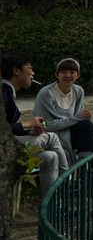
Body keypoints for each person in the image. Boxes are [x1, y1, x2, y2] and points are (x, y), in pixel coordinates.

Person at [2, 53, 69, 196]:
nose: (33, 73)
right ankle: (68, 182)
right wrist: (26, 124)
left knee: (50, 157)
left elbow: (7, 128)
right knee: (51, 137)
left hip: (8, 143)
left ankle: (52, 208)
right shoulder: (3, 94)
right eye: (30, 68)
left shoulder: (7, 92)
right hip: (4, 149)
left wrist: (28, 131)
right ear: (16, 70)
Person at [32, 57, 93, 164]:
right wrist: (77, 118)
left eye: (72, 72)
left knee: (88, 129)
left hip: (70, 130)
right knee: (87, 131)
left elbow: (77, 120)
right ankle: (86, 166)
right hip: (50, 132)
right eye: (63, 72)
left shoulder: (78, 91)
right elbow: (45, 124)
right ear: (57, 75)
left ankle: (87, 166)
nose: (68, 76)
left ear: (78, 75)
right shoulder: (46, 94)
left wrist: (81, 117)